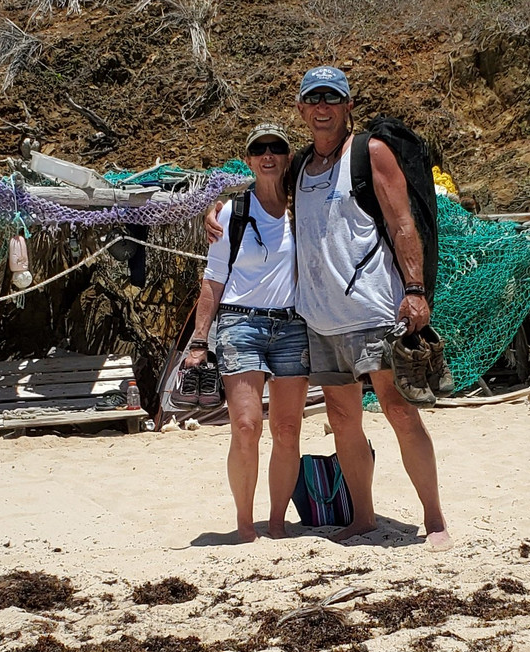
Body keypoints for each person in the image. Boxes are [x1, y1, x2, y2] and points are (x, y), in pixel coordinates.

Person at [208, 67, 451, 549]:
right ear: (301, 110)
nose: (322, 108)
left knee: (401, 413)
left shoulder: (370, 153)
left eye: (332, 99)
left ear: (347, 106)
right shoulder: (299, 166)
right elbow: (263, 188)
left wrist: (416, 289)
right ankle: (362, 516)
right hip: (319, 322)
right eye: (313, 99)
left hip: (375, 312)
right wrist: (213, 207)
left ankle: (435, 519)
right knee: (343, 421)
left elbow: (403, 224)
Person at [184, 123, 309, 542]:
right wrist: (200, 340)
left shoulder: (305, 209)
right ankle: (244, 523)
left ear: (288, 158)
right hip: (240, 323)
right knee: (246, 426)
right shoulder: (229, 214)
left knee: (288, 429)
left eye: (277, 148)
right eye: (260, 149)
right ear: (249, 160)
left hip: (294, 326)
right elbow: (213, 280)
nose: (268, 155)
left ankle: (276, 522)